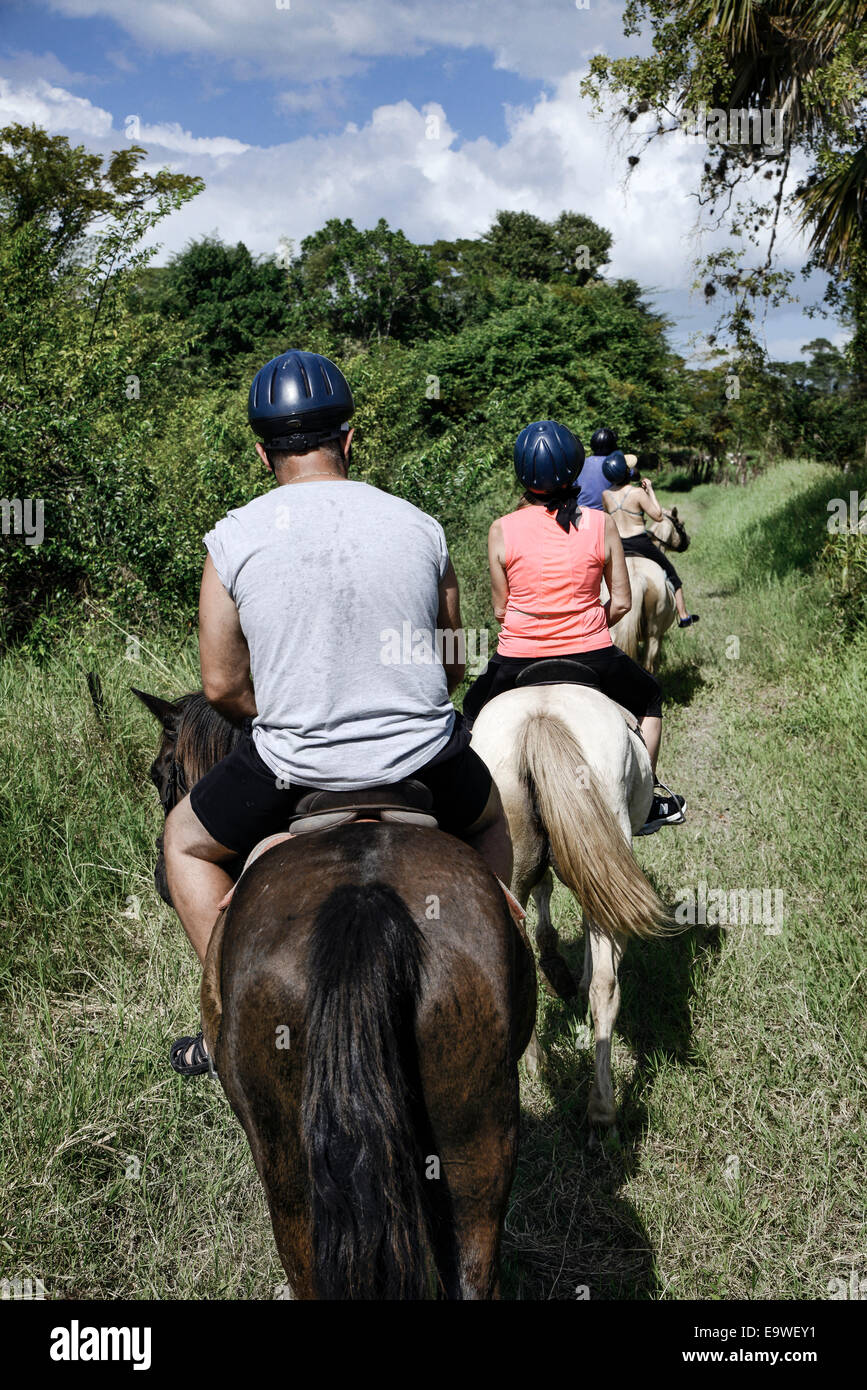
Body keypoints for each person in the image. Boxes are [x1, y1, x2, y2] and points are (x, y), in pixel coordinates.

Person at [164, 349, 512, 1075]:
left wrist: (293, 707)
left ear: (262, 453)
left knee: (184, 844)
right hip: (423, 758)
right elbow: (451, 668)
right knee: (491, 821)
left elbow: (222, 688)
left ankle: (228, 1012)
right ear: (349, 440)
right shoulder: (419, 526)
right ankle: (506, 949)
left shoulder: (232, 538)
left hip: (292, 768)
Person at [462, 419, 686, 836]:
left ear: (521, 474)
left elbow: (500, 610)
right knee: (651, 698)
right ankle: (650, 797)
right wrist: (587, 622)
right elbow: (621, 601)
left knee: (471, 713)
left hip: (516, 658)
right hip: (591, 654)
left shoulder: (500, 529)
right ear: (574, 469)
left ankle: (469, 806)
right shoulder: (600, 525)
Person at [601, 451, 699, 627]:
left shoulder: (606, 495)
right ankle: (683, 616)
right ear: (626, 473)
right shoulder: (637, 492)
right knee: (671, 573)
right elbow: (659, 516)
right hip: (640, 542)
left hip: (619, 545)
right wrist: (650, 490)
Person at [574, 425, 618, 508]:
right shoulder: (614, 464)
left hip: (582, 512)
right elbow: (634, 475)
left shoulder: (581, 463)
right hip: (605, 513)